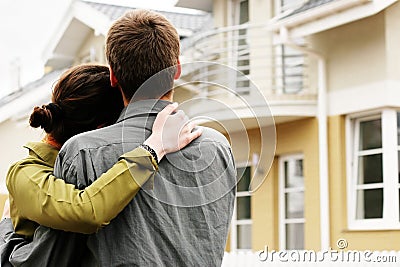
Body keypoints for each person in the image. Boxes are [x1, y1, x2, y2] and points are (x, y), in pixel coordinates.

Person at [11, 9, 236, 266]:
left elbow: (49, 260)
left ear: (113, 76)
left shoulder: (83, 153)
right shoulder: (218, 147)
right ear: (177, 70)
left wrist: (7, 231)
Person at [0, 64, 201, 266]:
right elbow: (85, 211)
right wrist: (154, 147)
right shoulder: (26, 172)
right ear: (101, 129)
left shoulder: (103, 163)